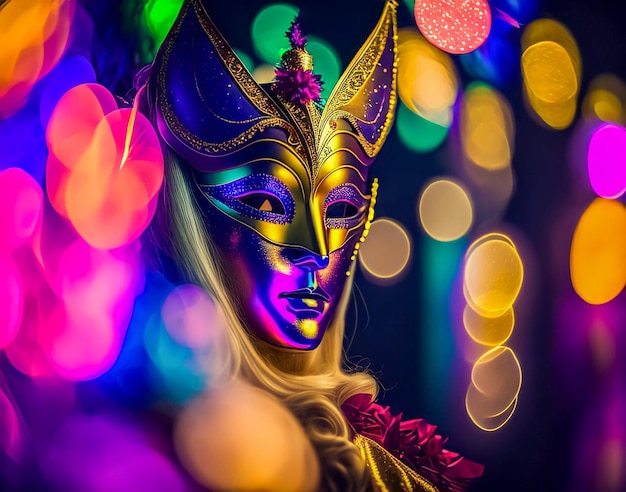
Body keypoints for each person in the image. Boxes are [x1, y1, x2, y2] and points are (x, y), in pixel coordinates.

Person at [139, 0, 483, 490]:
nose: (317, 251)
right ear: (190, 219)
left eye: (340, 211)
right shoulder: (155, 452)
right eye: (266, 202)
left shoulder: (371, 464)